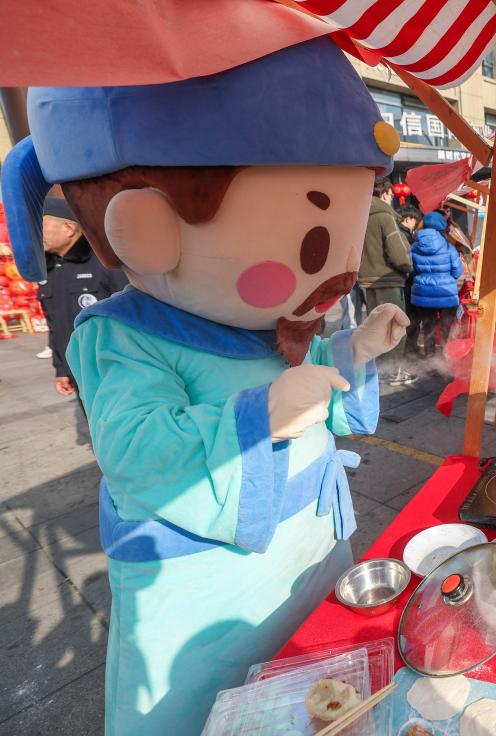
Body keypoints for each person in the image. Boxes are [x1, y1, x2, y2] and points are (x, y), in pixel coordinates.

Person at [1, 39, 409, 734]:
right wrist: (260, 417)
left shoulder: (273, 321)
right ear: (145, 225)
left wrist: (354, 350)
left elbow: (319, 400)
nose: (334, 271)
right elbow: (137, 450)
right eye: (316, 243)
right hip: (212, 591)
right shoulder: (121, 334)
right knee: (213, 715)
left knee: (321, 695)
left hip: (312, 552)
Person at [36, 196, 127, 404]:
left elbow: (134, 314)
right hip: (79, 372)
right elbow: (55, 325)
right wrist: (61, 368)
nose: (35, 234)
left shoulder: (105, 262)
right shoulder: (48, 270)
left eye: (41, 226)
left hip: (114, 369)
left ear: (68, 228)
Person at [360, 177, 416, 385]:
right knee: (395, 327)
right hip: (389, 279)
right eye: (391, 194)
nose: (392, 198)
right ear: (384, 194)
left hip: (368, 280)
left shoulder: (361, 215)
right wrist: (407, 267)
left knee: (377, 327)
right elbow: (397, 252)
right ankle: (393, 372)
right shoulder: (384, 216)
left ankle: (381, 370)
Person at [406, 210, 464, 368]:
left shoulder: (414, 245)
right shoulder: (448, 246)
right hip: (446, 294)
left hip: (423, 294)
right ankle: (448, 356)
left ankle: (431, 357)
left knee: (428, 326)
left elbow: (410, 269)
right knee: (446, 327)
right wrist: (446, 278)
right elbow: (458, 271)